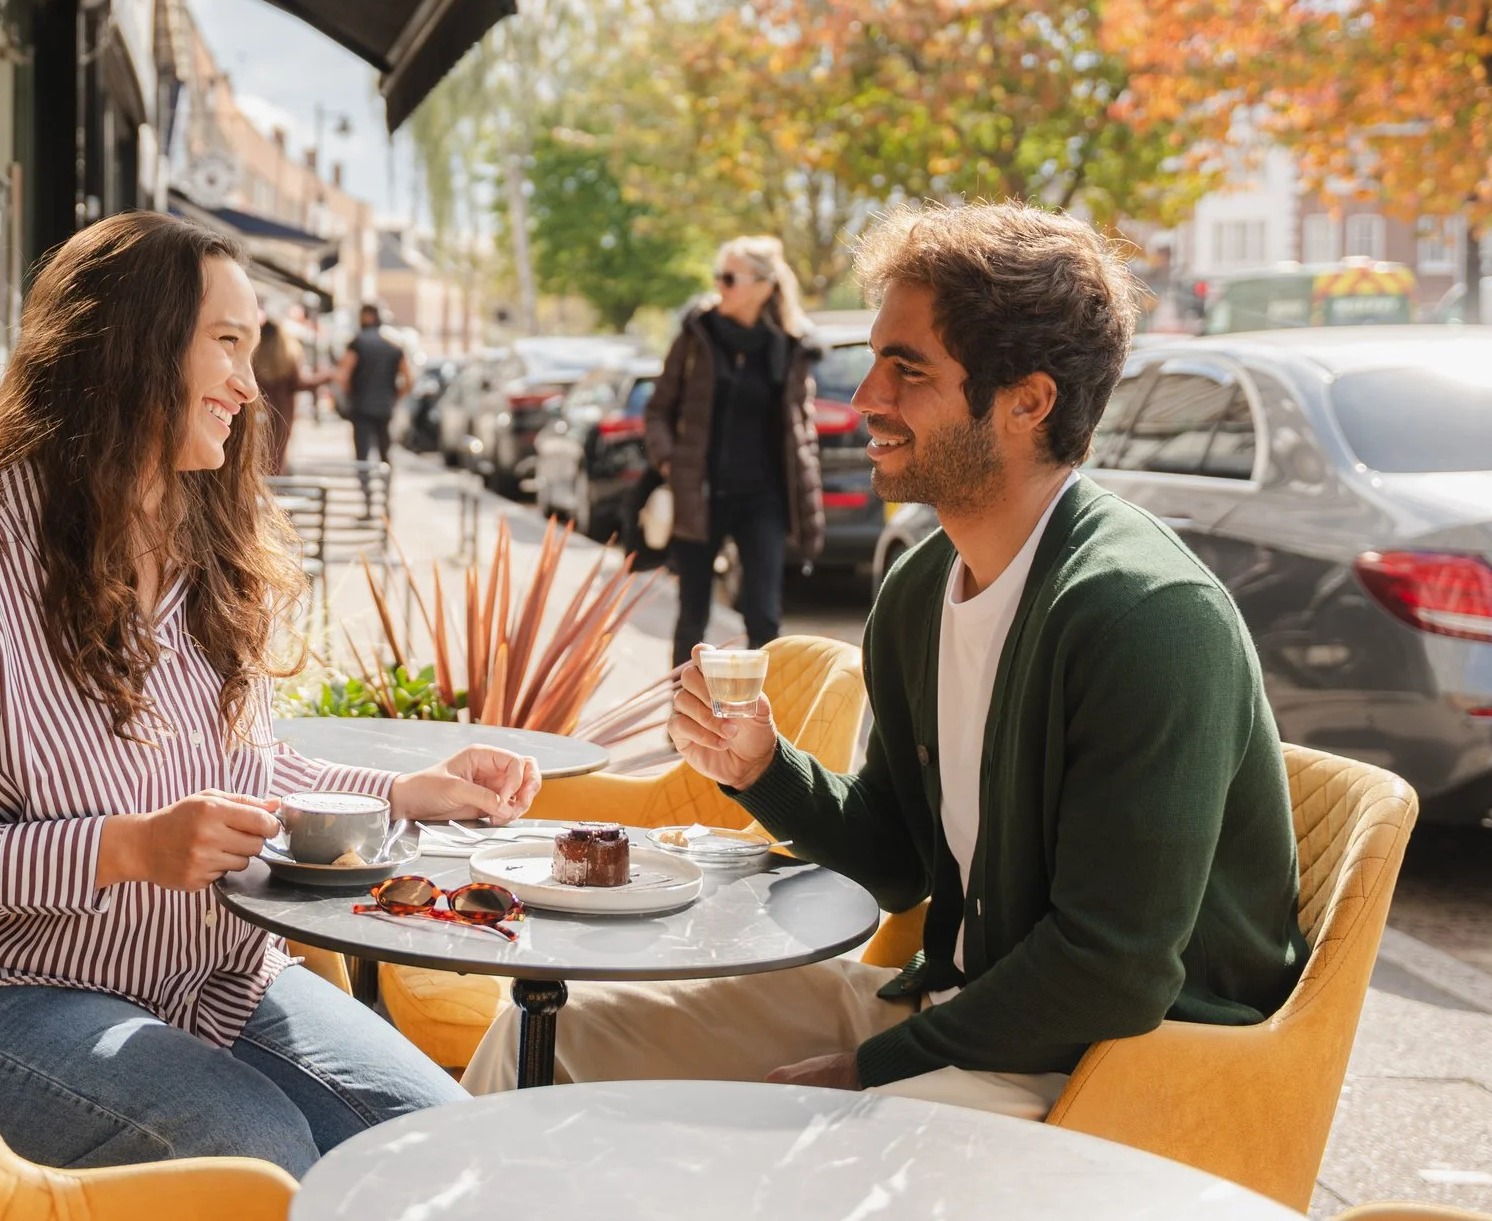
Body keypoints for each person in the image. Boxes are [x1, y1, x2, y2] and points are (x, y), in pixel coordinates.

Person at [465, 202, 1307, 1115]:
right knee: (545, 1038)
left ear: (1028, 401)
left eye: (907, 370)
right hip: (959, 1016)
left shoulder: (1147, 618)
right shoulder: (922, 588)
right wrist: (763, 769)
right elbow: (901, 860)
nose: (865, 396)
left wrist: (873, 1069)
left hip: (1116, 1071)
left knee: (774, 1143)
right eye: (874, 361)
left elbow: (1115, 970)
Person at [0, 212, 540, 1176]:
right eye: (227, 344)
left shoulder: (199, 544)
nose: (251, 387)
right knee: (250, 1148)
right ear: (128, 345)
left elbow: (235, 776)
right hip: (5, 994)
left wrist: (403, 794)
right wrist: (127, 847)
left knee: (448, 1146)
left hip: (216, 977)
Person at [646, 237, 825, 667]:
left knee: (764, 617)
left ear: (763, 286)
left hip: (761, 498)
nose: (719, 286)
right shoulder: (696, 336)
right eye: (718, 276)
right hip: (699, 495)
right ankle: (682, 726)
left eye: (729, 278)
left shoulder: (789, 345)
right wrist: (671, 462)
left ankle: (762, 729)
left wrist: (805, 490)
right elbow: (657, 410)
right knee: (693, 619)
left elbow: (800, 427)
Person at [332, 303, 410, 467]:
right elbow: (409, 379)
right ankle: (384, 486)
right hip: (385, 406)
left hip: (361, 406)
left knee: (362, 454)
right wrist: (395, 396)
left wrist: (348, 395)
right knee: (385, 450)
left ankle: (366, 489)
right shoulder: (393, 346)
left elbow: (342, 375)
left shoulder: (357, 343)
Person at [251, 317, 317, 475]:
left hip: (258, 410)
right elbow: (300, 383)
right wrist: (327, 376)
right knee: (278, 454)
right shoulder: (287, 356)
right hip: (282, 412)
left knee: (256, 451)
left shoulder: (253, 357)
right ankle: (273, 490)